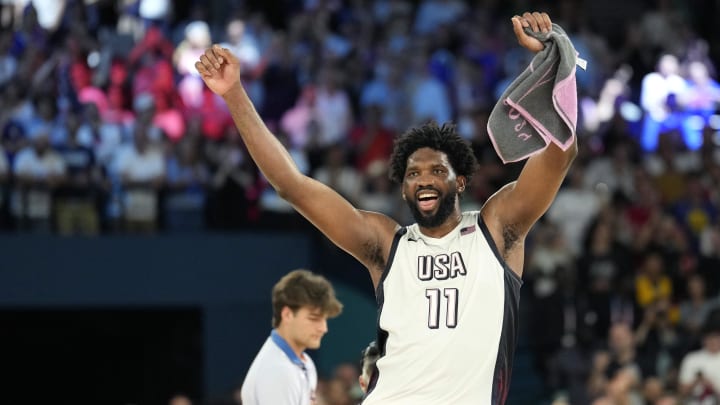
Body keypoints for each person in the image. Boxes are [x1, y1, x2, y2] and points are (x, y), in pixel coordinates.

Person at [197, 11, 577, 405]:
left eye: (436, 170)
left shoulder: (497, 228)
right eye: (413, 174)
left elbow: (561, 154)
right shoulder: (387, 244)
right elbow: (292, 186)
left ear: (460, 181)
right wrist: (235, 95)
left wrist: (554, 59)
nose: (423, 179)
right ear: (403, 189)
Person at [240, 269, 343, 405]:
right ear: (287, 314)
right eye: (314, 318)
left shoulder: (305, 363)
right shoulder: (277, 370)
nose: (323, 328)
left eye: (325, 319)